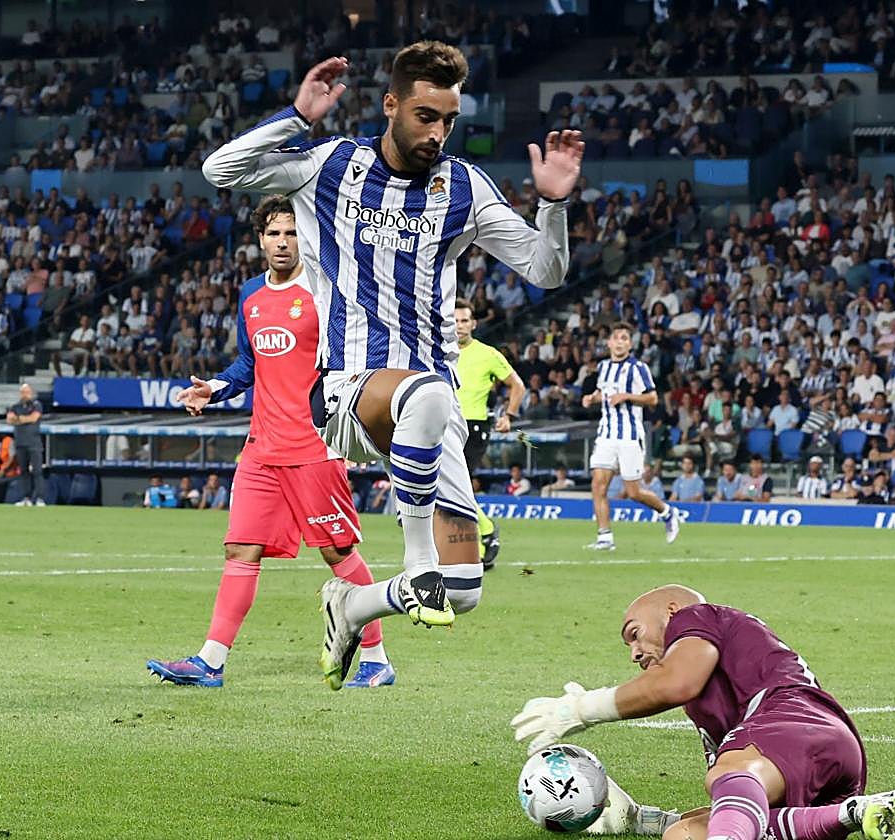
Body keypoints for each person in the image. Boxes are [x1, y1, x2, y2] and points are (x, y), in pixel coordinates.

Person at [202, 43, 582, 663]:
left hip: (431, 417)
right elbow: (221, 170)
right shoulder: (330, 165)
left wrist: (554, 206)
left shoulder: (461, 185)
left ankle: (352, 605)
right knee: (429, 392)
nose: (438, 132)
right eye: (426, 116)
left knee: (462, 591)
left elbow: (545, 270)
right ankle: (416, 561)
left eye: (449, 119)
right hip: (349, 389)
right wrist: (298, 117)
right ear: (391, 105)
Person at [156, 195, 394, 690]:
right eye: (274, 234)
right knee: (241, 549)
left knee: (338, 552)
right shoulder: (250, 294)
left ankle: (376, 659)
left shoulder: (328, 293)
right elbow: (249, 364)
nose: (282, 242)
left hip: (315, 446)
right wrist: (215, 389)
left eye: (291, 233)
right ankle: (210, 661)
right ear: (260, 240)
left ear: (303, 236)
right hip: (261, 448)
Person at [510, 585, 895, 840]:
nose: (634, 652)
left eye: (635, 634)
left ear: (670, 611)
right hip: (822, 768)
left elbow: (674, 684)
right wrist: (642, 819)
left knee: (725, 774)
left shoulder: (698, 617)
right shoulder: (713, 707)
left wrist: (580, 709)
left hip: (796, 720)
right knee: (684, 834)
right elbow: (738, 804)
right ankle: (852, 813)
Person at [582, 322, 681, 550]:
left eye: (625, 338)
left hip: (629, 435)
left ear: (630, 344)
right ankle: (604, 536)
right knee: (598, 485)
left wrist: (626, 396)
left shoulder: (638, 368)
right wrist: (592, 398)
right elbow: (604, 392)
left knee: (633, 492)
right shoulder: (604, 366)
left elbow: (653, 398)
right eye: (616, 337)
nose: (620, 342)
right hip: (606, 434)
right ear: (609, 343)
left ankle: (667, 512)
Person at [453, 298, 526, 570]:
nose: (459, 326)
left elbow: (517, 386)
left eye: (464, 321)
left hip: (473, 426)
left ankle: (485, 532)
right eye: (455, 320)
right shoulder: (438, 349)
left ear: (473, 323)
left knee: (456, 484)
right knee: (447, 485)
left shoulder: (488, 354)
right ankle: (479, 539)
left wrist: (509, 415)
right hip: (445, 423)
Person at [6, 384, 45, 506]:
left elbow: (33, 418)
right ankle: (26, 498)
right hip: (20, 443)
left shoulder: (36, 405)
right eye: (22, 392)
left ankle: (39, 498)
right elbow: (9, 419)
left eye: (27, 392)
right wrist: (22, 418)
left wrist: (19, 419)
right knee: (23, 472)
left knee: (37, 471)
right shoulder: (15, 406)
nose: (24, 394)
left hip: (34, 443)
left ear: (31, 393)